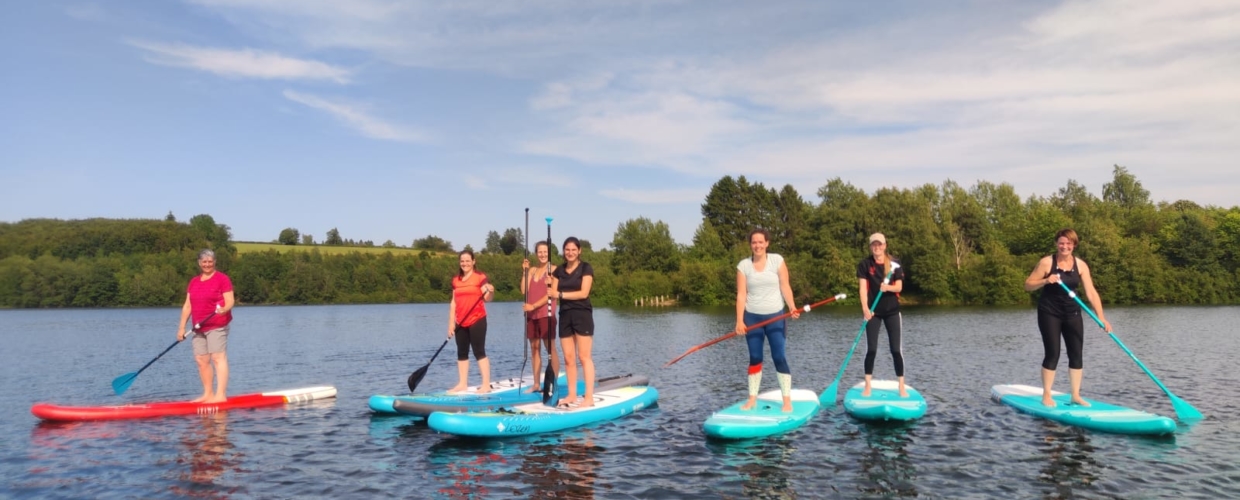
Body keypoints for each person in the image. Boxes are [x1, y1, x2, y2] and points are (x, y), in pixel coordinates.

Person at [1024, 228, 1110, 407]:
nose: (1064, 246)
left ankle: (1075, 395)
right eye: (1061, 243)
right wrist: (1045, 280)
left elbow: (1091, 293)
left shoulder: (1081, 265)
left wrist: (1101, 317)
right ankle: (1047, 395)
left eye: (1068, 243)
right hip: (1050, 312)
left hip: (1072, 313)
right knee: (1053, 353)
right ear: (1057, 244)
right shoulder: (1046, 263)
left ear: (1074, 245)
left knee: (1076, 354)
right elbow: (1028, 285)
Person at [735, 228, 801, 412]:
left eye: (760, 242)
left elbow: (785, 285)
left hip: (776, 316)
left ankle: (787, 401)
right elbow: (741, 295)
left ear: (767, 243)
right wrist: (740, 321)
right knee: (755, 357)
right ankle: (752, 399)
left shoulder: (777, 260)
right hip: (752, 317)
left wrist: (792, 306)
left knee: (779, 356)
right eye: (754, 242)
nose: (757, 245)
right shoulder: (743, 266)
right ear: (751, 245)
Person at [177, 249, 235, 403]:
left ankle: (220, 395)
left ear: (214, 262)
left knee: (217, 357)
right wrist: (181, 328)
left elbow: (230, 300)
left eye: (210, 261)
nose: (207, 264)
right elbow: (187, 306)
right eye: (204, 262)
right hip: (198, 327)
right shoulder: (194, 281)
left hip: (217, 324)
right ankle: (208, 394)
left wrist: (225, 308)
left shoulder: (222, 279)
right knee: (201, 360)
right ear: (199, 263)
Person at [857, 233, 907, 398]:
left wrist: (888, 288)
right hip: (873, 313)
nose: (876, 247)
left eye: (879, 244)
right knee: (871, 349)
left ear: (885, 246)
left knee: (895, 350)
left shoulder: (895, 264)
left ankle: (901, 387)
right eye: (873, 245)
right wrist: (865, 308)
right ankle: (868, 386)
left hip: (892, 312)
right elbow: (863, 289)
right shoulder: (865, 264)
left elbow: (899, 287)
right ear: (871, 246)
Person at [550, 237, 595, 408]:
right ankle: (571, 395)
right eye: (567, 250)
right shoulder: (558, 271)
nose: (570, 253)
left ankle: (589, 397)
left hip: (582, 314)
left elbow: (583, 293)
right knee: (569, 358)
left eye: (573, 250)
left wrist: (560, 295)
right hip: (565, 315)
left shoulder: (586, 268)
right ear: (563, 251)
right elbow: (552, 291)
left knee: (584, 357)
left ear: (579, 251)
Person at [447, 250, 496, 394]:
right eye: (462, 261)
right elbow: (453, 303)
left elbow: (488, 298)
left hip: (477, 319)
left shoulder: (480, 278)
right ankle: (462, 384)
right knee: (461, 352)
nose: (465, 263)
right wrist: (451, 323)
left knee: (479, 351)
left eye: (468, 261)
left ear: (473, 262)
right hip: (460, 322)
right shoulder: (456, 280)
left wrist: (490, 291)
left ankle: (485, 385)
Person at [521, 240, 559, 393]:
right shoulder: (532, 271)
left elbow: (551, 295)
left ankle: (553, 383)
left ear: (549, 253)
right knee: (534, 348)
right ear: (536, 254)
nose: (543, 254)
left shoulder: (554, 270)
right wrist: (524, 272)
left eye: (545, 252)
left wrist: (534, 305)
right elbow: (524, 290)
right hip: (531, 315)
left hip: (546, 314)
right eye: (540, 252)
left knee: (550, 349)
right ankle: (536, 384)